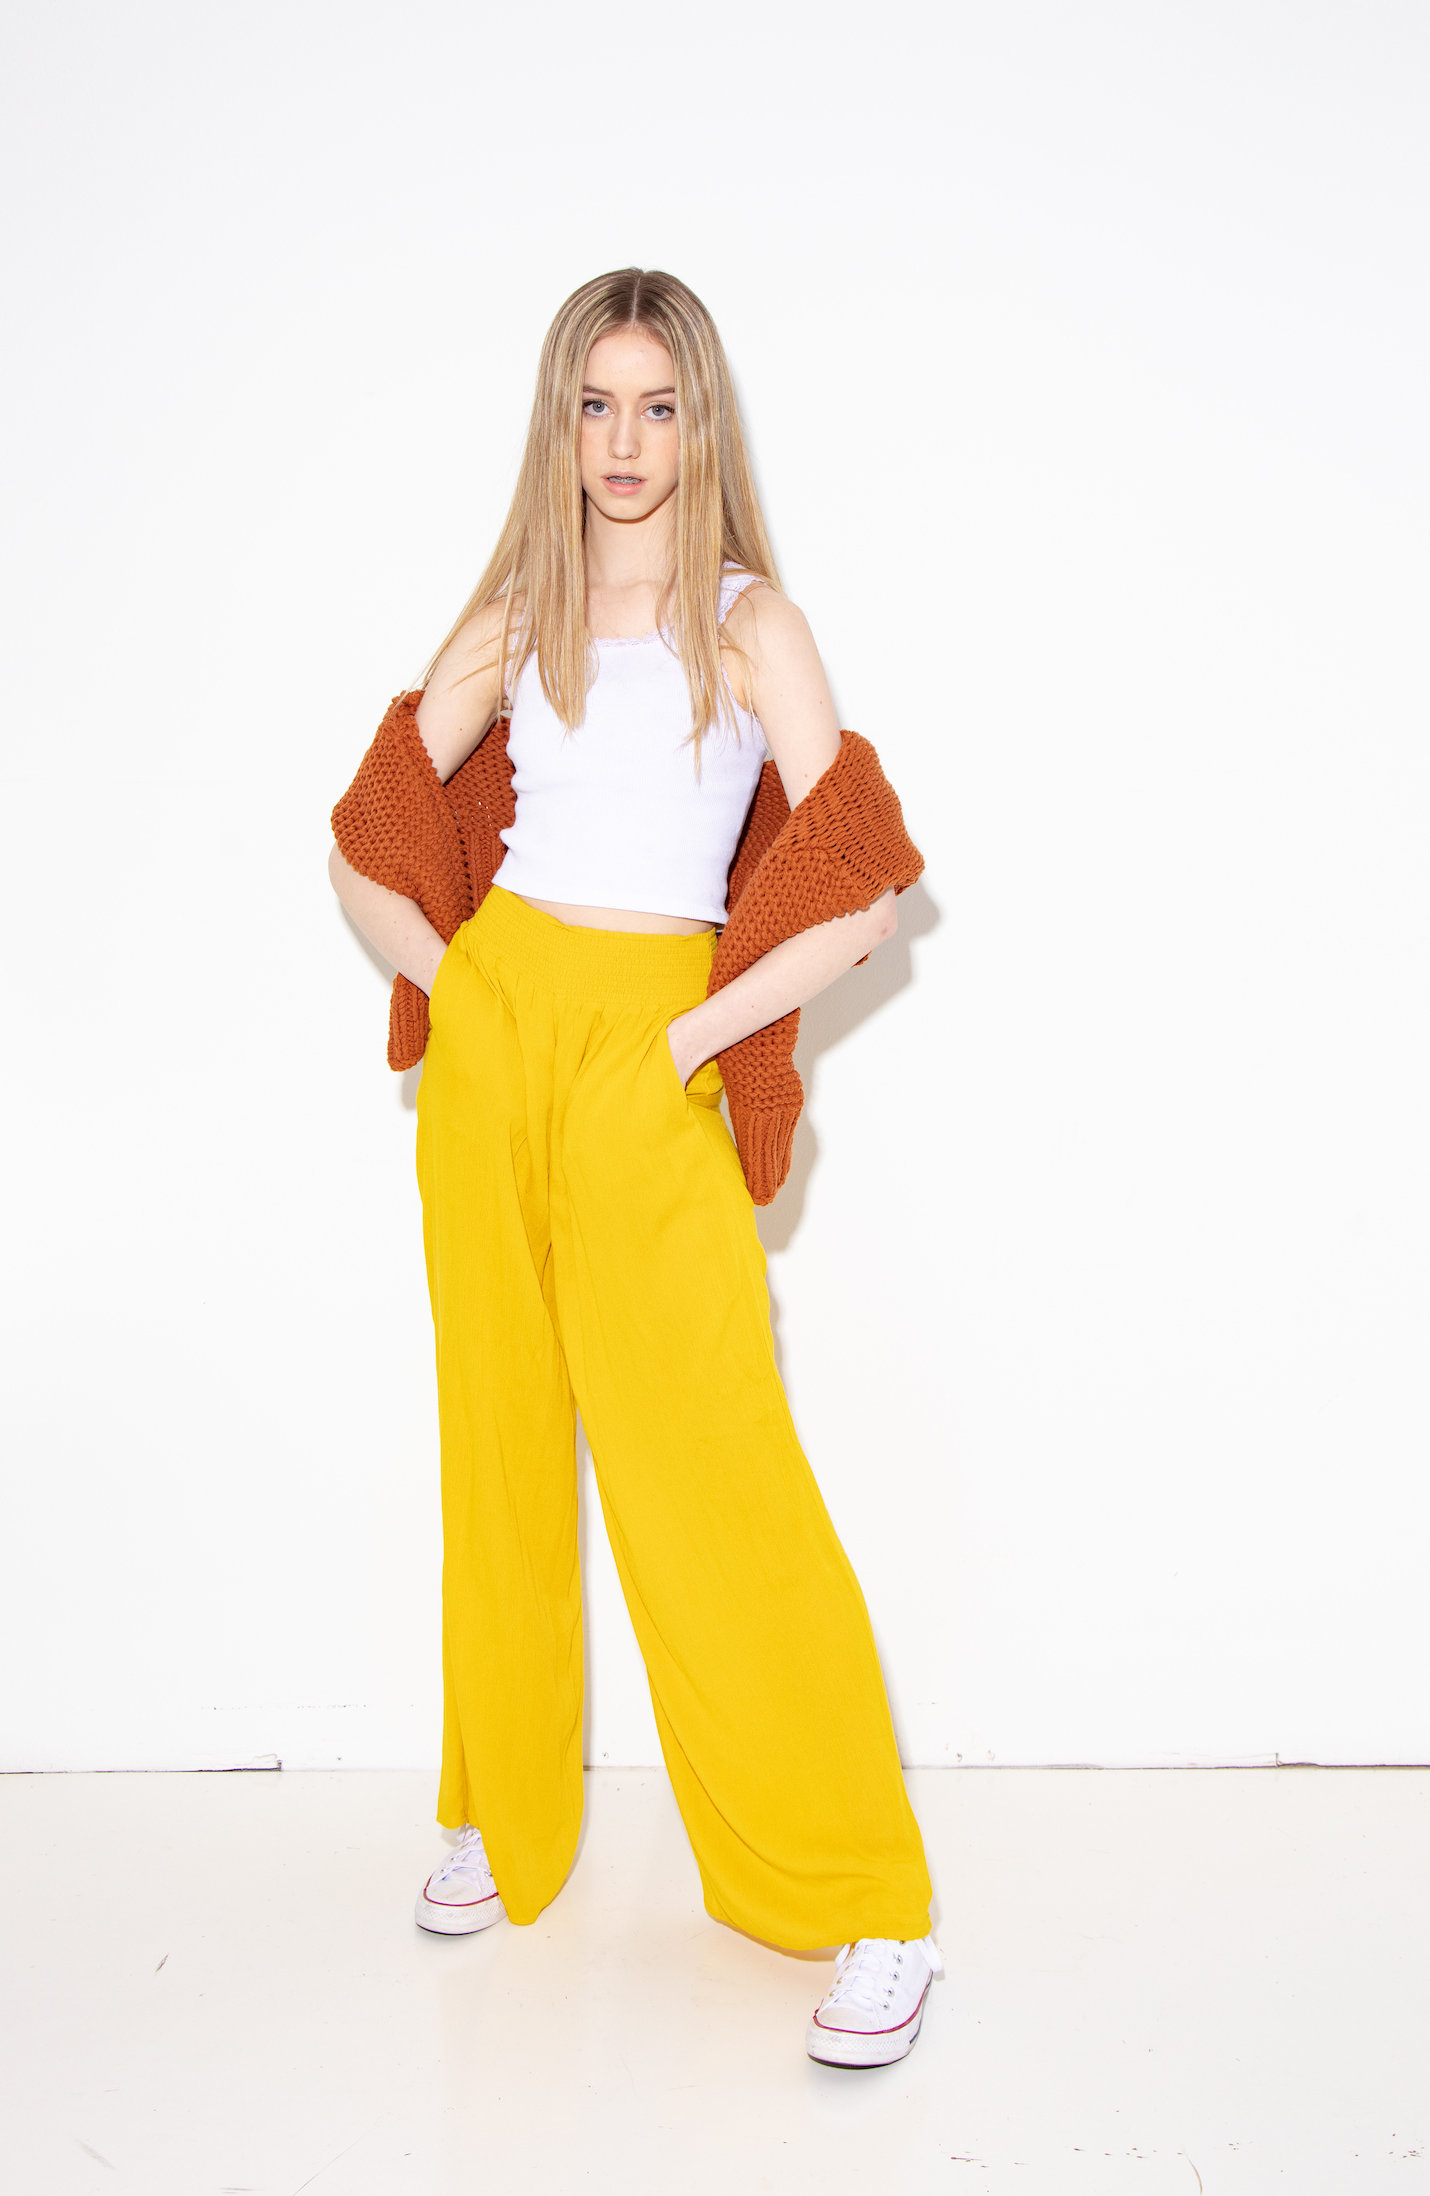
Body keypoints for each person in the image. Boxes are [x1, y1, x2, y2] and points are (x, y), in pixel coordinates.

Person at [327, 267, 941, 2067]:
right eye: (595, 404)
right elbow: (366, 834)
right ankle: (490, 1812)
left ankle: (871, 1902)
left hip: (650, 1044)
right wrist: (464, 990)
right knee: (497, 1439)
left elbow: (862, 891)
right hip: (505, 1028)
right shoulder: (519, 612)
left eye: (657, 406)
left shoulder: (752, 626)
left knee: (715, 1474)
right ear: (560, 419)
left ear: (699, 422)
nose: (623, 441)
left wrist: (685, 1043)